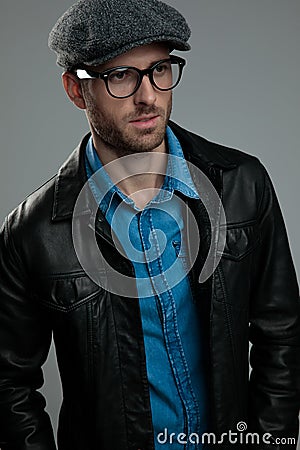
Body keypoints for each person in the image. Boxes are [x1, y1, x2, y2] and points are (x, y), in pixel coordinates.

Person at [0, 0, 299, 449]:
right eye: (121, 75)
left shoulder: (243, 185)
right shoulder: (32, 232)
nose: (148, 96)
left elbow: (282, 334)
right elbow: (8, 384)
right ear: (76, 89)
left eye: (160, 69)